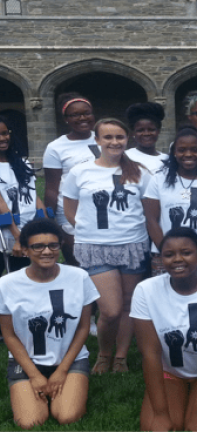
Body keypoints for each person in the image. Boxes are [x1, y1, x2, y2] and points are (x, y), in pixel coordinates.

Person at [62, 118, 150, 375]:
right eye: (108, 137)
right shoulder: (80, 172)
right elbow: (69, 208)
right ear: (97, 140)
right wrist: (87, 229)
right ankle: (104, 353)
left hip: (132, 245)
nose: (114, 142)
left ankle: (120, 357)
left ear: (127, 139)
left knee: (128, 305)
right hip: (96, 247)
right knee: (110, 310)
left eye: (119, 137)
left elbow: (149, 208)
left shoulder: (140, 172)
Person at [130, 227, 197, 432]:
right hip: (169, 370)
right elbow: (150, 353)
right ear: (161, 258)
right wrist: (160, 414)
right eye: (169, 254)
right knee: (159, 427)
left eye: (186, 252)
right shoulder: (145, 290)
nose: (177, 259)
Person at [0, 219, 99, 429]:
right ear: (25, 250)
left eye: (53, 245)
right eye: (38, 246)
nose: (47, 251)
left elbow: (83, 328)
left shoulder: (79, 277)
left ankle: (66, 387)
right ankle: (37, 390)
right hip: (26, 361)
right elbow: (9, 335)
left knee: (67, 416)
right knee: (30, 422)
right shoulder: (6, 284)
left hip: (70, 359)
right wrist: (34, 375)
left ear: (60, 246)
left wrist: (62, 371)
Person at [143, 126, 197, 275]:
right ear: (174, 152)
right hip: (164, 253)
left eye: (194, 149)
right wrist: (167, 252)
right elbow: (152, 220)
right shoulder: (159, 179)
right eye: (182, 150)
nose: (188, 154)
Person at [43, 93, 99, 266]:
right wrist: (49, 220)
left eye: (87, 113)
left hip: (103, 209)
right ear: (66, 119)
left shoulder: (104, 139)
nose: (82, 118)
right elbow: (51, 188)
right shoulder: (56, 147)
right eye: (75, 115)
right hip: (70, 211)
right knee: (78, 262)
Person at [0, 115, 47, 273]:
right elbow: (1, 206)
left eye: (5, 133)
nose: (3, 138)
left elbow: (35, 197)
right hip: (6, 234)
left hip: (27, 231)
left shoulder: (22, 163)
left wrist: (46, 226)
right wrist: (17, 237)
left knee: (23, 277)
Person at [125, 102, 168, 173]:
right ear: (133, 133)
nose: (146, 134)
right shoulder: (126, 157)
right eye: (140, 130)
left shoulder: (167, 159)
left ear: (158, 131)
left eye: (151, 129)